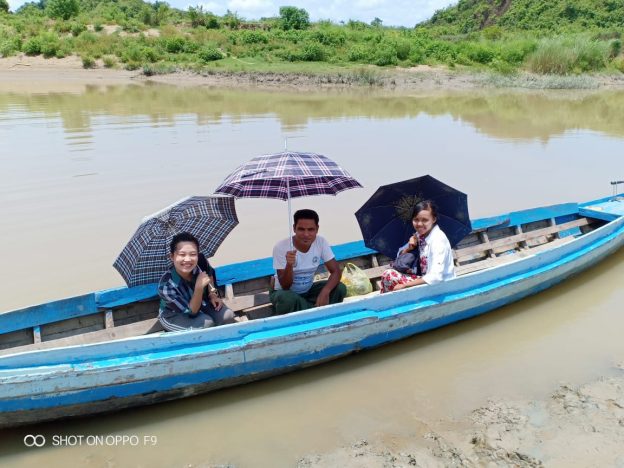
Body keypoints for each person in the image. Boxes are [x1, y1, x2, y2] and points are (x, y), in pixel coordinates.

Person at [270, 209, 347, 314]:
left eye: (311, 229)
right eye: (301, 229)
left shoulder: (321, 242)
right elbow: (285, 286)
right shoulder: (281, 247)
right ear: (294, 228)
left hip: (308, 290)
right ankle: (316, 311)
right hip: (284, 292)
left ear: (317, 229)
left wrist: (325, 292)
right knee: (286, 299)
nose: (306, 234)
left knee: (340, 288)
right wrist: (289, 265)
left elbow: (336, 272)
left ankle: (307, 309)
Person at [158, 232, 236, 331]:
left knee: (228, 316)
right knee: (206, 324)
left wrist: (213, 294)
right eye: (182, 254)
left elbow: (209, 276)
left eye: (193, 254)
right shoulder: (165, 286)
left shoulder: (201, 262)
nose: (188, 259)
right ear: (172, 257)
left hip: (201, 303)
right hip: (174, 314)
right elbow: (192, 311)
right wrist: (199, 287)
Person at [380, 200, 455, 293]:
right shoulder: (419, 235)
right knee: (388, 274)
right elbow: (399, 260)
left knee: (389, 275)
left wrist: (404, 285)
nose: (419, 224)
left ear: (434, 219)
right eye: (416, 220)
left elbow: (436, 276)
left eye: (425, 220)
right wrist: (409, 248)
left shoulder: (438, 240)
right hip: (425, 279)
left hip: (441, 285)